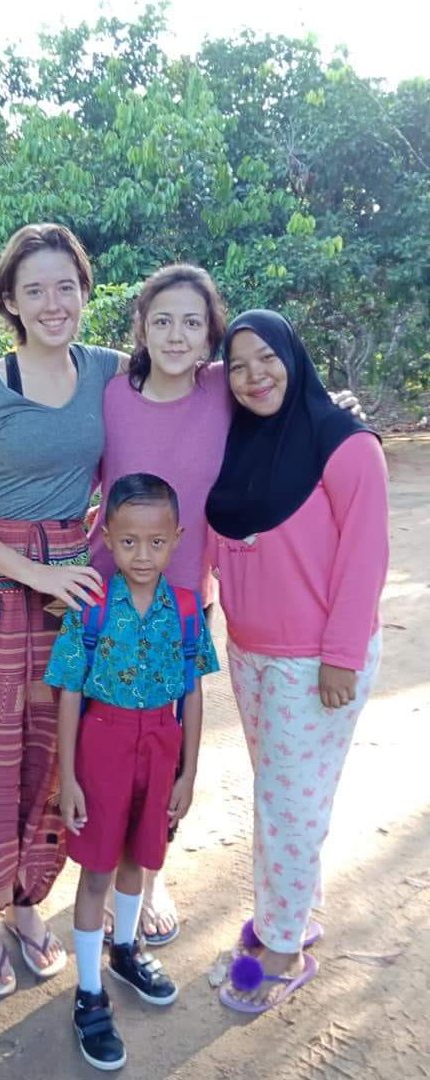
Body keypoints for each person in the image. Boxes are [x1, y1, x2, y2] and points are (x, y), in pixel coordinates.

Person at [0, 223, 126, 997]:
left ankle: (28, 900)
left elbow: (190, 386)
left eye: (66, 286)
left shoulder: (108, 371)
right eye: (34, 289)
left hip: (65, 594)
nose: (53, 303)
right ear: (10, 300)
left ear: (84, 291)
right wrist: (31, 572)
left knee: (50, 751)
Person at [204, 309, 389, 1014]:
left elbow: (365, 558)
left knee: (287, 803)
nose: (254, 376)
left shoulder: (346, 446)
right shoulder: (239, 442)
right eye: (238, 365)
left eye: (267, 359)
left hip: (315, 663)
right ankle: (292, 912)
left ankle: (281, 947)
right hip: (251, 653)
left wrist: (341, 657)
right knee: (287, 796)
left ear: (293, 356)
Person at [45, 473, 219, 1070]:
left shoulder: (188, 610)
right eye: (127, 542)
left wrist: (188, 773)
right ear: (108, 538)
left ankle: (125, 949)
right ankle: (89, 992)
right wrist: (68, 778)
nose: (142, 555)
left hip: (161, 748)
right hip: (102, 747)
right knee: (96, 869)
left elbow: (192, 693)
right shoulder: (90, 610)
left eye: (156, 542)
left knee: (137, 861)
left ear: (178, 538)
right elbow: (70, 692)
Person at [88, 264, 230, 946]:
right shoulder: (112, 394)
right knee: (106, 745)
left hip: (183, 603)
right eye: (163, 320)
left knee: (165, 747)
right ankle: (99, 873)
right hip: (107, 600)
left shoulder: (225, 389)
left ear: (210, 335)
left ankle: (149, 875)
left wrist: (343, 413)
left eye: (192, 322)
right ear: (141, 327)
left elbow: (287, 394)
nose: (177, 335)